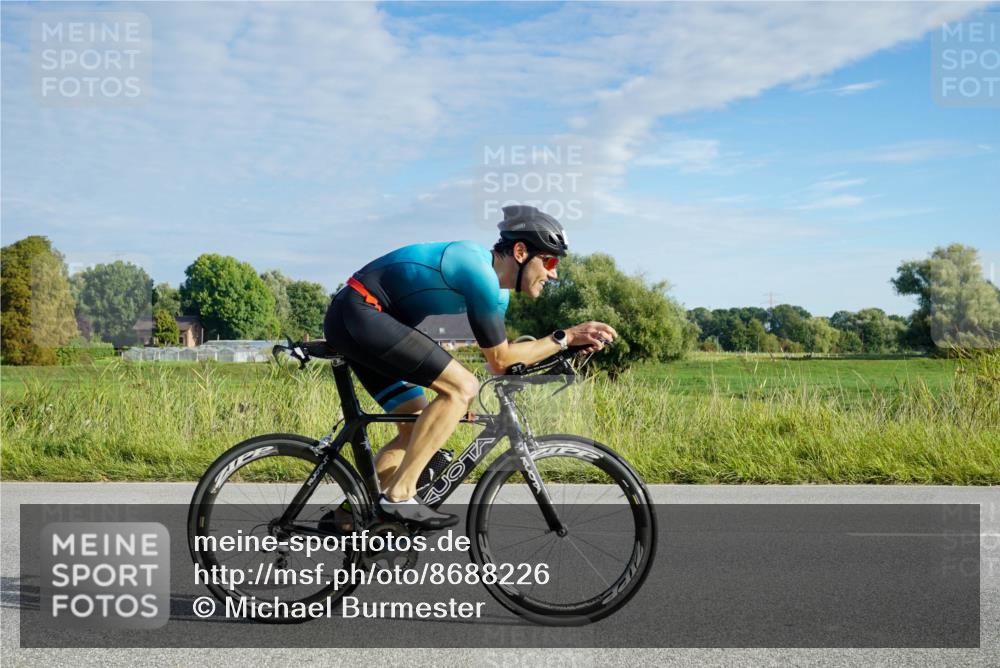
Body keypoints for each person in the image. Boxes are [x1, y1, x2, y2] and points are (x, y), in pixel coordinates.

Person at [323, 205, 617, 529]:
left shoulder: (497, 295)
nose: (554, 273)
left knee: (417, 429)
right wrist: (566, 336)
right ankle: (399, 497)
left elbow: (502, 361)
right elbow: (501, 361)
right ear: (520, 251)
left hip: (366, 321)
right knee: (462, 388)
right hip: (360, 312)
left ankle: (348, 518)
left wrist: (565, 348)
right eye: (549, 261)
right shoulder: (477, 271)